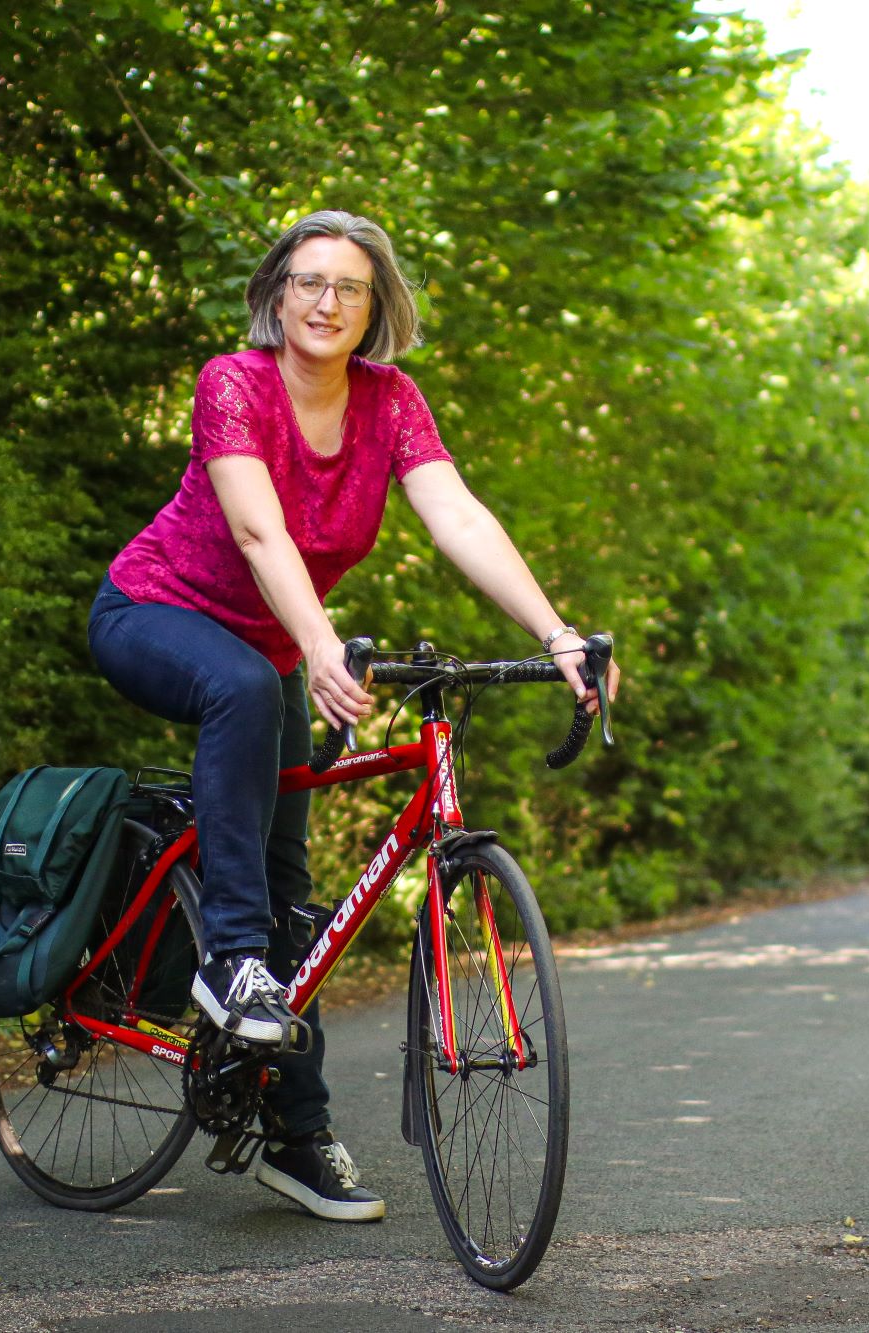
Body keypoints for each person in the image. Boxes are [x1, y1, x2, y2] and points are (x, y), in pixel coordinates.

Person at [88, 209, 620, 1224]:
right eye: (307, 281)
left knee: (297, 893)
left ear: (376, 307)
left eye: (349, 287)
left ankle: (295, 1133)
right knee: (244, 688)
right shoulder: (232, 384)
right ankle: (227, 963)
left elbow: (456, 513)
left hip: (272, 648)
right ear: (274, 294)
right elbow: (255, 525)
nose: (326, 302)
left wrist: (553, 631)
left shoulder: (388, 403)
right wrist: (322, 647)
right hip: (154, 614)